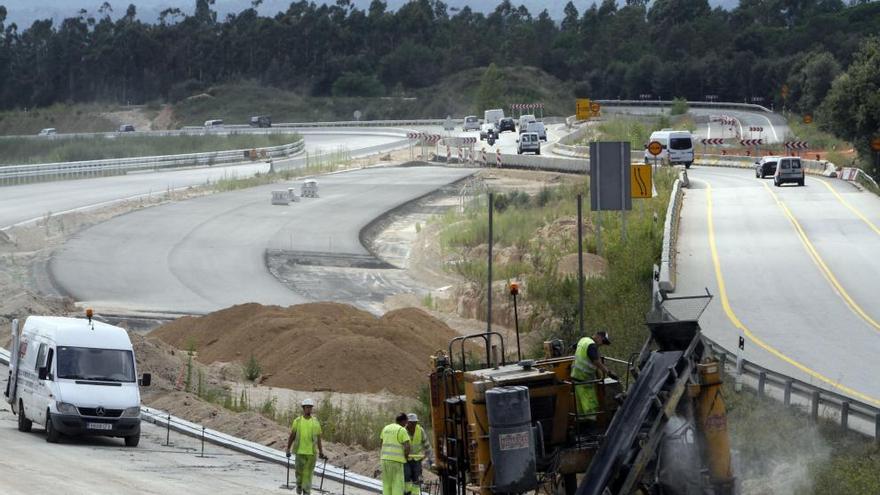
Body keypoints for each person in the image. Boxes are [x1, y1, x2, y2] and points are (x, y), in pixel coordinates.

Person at [571, 331, 616, 419]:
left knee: (580, 406)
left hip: (576, 376)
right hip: (585, 379)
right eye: (603, 341)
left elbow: (574, 347)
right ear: (598, 336)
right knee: (591, 404)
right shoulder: (591, 345)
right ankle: (591, 427)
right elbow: (596, 361)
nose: (602, 344)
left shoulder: (583, 340)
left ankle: (582, 427)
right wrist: (609, 372)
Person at [286, 398, 326, 495]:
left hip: (311, 454)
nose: (309, 409)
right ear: (303, 408)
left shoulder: (315, 422)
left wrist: (321, 452)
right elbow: (292, 436)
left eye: (310, 407)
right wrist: (288, 448)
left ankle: (306, 492)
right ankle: (299, 487)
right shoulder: (298, 421)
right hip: (299, 452)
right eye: (307, 407)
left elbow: (319, 439)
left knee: (308, 475)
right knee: (299, 475)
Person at [380, 413, 412, 495]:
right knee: (397, 485)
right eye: (406, 422)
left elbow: (381, 443)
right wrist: (406, 457)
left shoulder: (386, 428)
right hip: (396, 462)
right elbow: (407, 446)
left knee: (387, 484)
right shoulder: (402, 430)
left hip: (384, 460)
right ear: (404, 421)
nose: (406, 424)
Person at [404, 413, 433, 495]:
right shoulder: (402, 431)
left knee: (417, 479)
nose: (413, 424)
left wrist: (430, 459)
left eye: (415, 422)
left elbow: (427, 445)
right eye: (412, 422)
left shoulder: (420, 430)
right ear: (407, 422)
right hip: (405, 459)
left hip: (417, 459)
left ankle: (415, 494)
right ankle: (407, 493)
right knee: (407, 477)